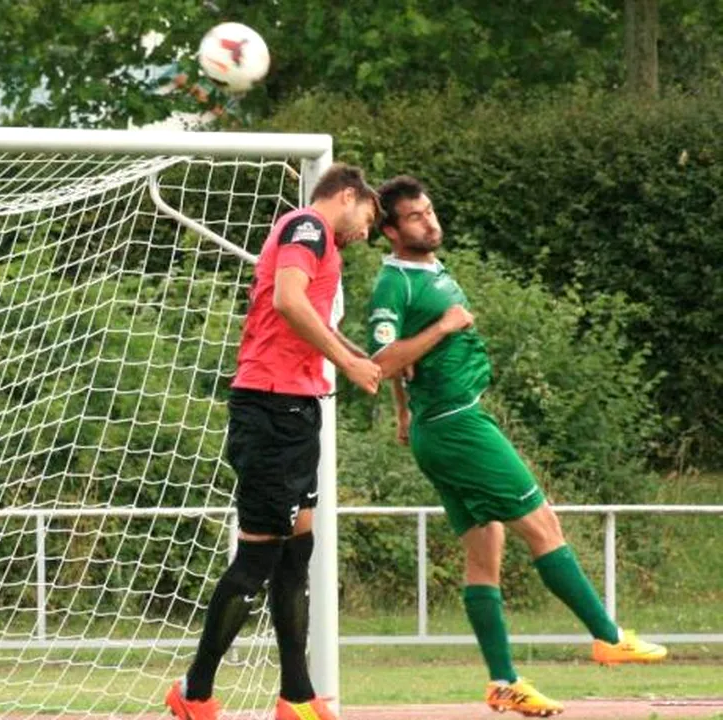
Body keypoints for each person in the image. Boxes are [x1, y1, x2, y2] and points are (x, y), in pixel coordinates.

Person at [367, 175, 667, 717]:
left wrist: (404, 411)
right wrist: (445, 327)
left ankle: (503, 683)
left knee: (485, 555)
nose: (430, 221)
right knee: (542, 522)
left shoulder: (429, 267)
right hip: (459, 425)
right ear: (389, 230)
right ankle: (607, 634)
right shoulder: (394, 284)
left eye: (430, 210)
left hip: (440, 424)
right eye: (414, 217)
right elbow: (380, 362)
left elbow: (404, 370)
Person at [165, 163, 383, 720]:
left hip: (295, 410)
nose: (366, 231)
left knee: (296, 553)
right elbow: (288, 299)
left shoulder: (317, 240)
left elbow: (305, 316)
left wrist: (356, 357)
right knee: (259, 559)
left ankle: (297, 697)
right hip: (270, 408)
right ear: (349, 195)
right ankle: (194, 693)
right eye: (369, 216)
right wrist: (347, 364)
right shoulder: (308, 225)